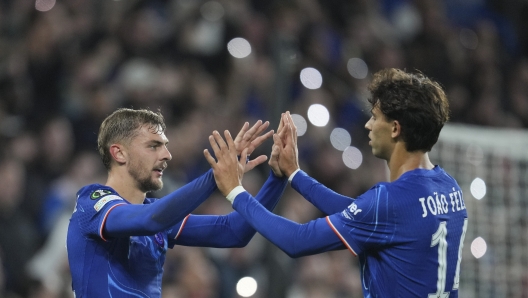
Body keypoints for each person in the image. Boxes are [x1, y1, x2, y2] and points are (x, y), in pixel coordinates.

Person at [205, 68, 469, 297]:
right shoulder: (448, 187)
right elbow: (362, 212)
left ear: (395, 129)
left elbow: (297, 240)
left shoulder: (388, 202)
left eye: (375, 117)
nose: (368, 125)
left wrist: (236, 192)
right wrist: (295, 174)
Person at [66, 108, 289, 297]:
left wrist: (278, 178)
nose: (167, 155)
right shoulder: (91, 203)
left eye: (165, 145)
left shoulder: (156, 214)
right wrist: (215, 175)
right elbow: (150, 221)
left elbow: (233, 232)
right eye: (153, 146)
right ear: (119, 153)